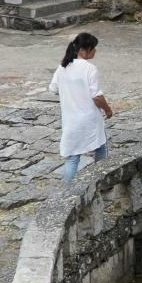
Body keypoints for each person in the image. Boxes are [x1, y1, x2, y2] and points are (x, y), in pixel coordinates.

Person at [51, 32, 114, 179]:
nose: (95, 51)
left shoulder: (63, 67)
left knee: (73, 158)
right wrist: (108, 109)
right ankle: (101, 179)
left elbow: (53, 88)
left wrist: (70, 91)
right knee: (101, 148)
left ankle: (67, 191)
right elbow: (96, 96)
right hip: (89, 119)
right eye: (94, 48)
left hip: (71, 120)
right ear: (86, 49)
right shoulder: (89, 68)